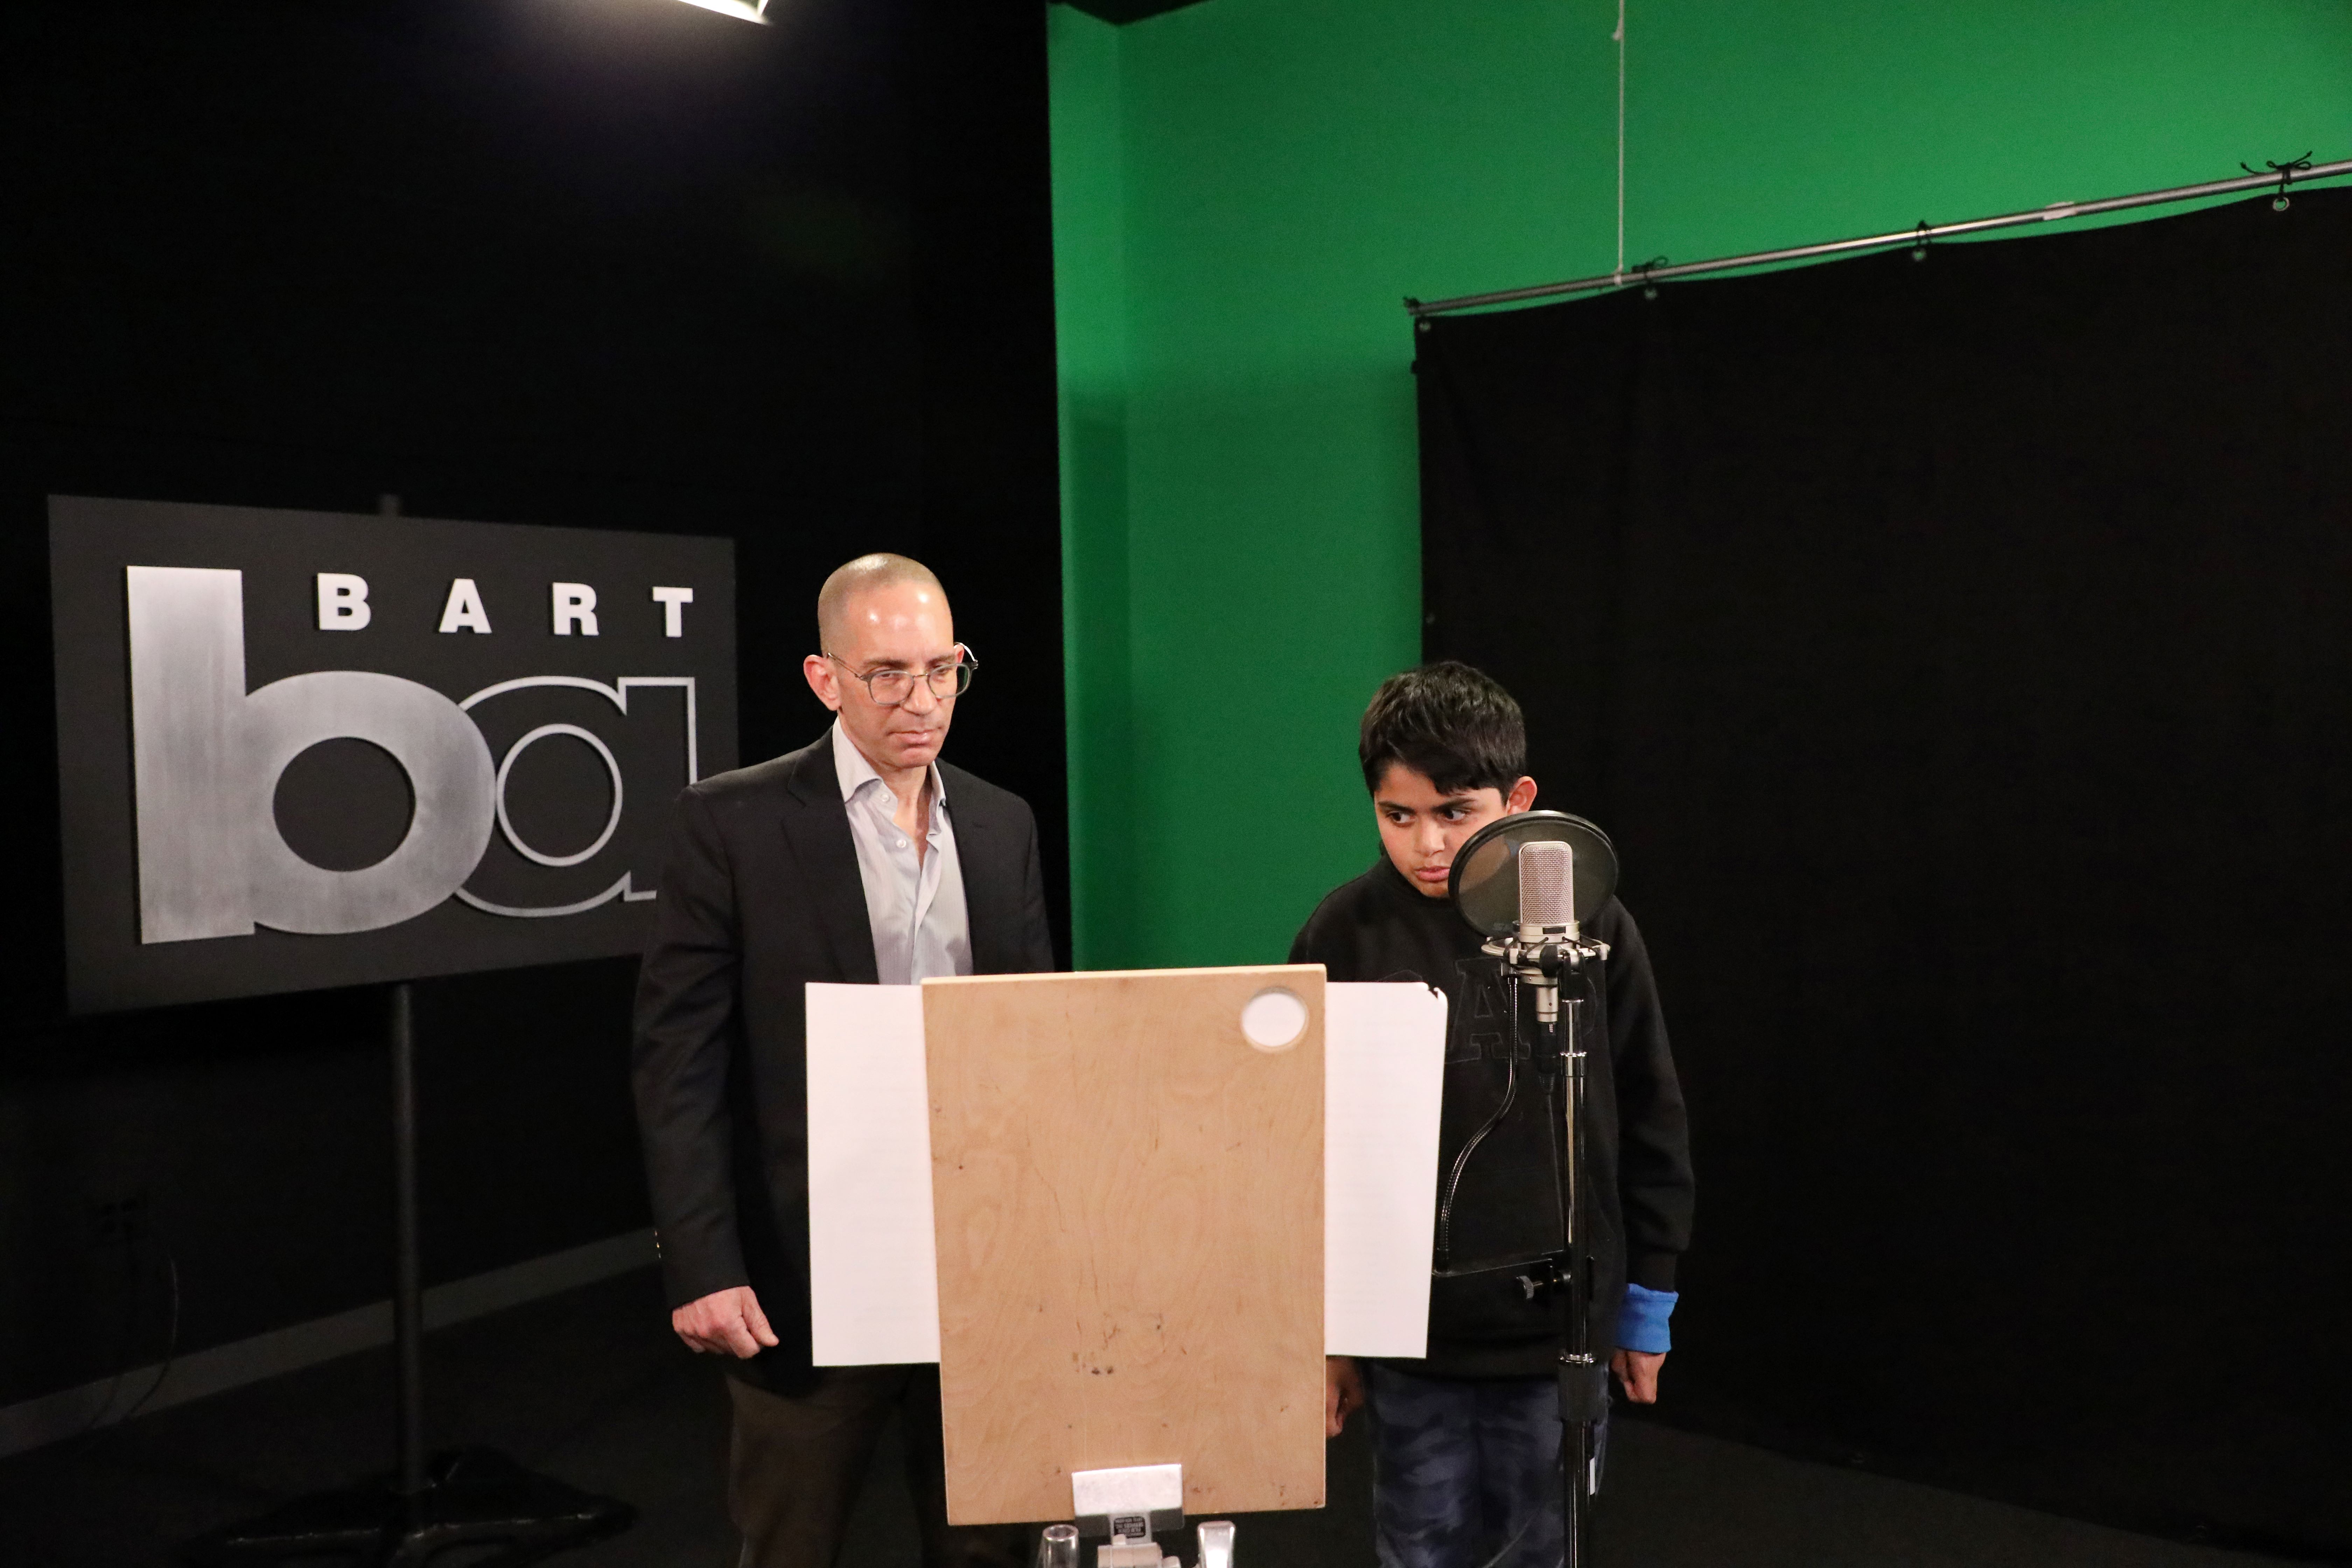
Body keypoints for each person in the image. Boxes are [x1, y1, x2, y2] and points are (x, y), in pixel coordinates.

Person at [632, 553, 1050, 1568]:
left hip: (978, 1257)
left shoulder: (1001, 824)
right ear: (827, 679)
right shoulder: (730, 822)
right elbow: (678, 1058)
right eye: (887, 674)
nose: (922, 700)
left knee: (987, 1543)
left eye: (943, 670)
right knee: (794, 1539)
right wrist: (704, 1263)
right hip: (805, 1266)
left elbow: (1036, 1042)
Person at [1292, 662, 1695, 1568]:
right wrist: (1326, 1334)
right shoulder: (1345, 934)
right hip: (1413, 1343)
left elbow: (1651, 1113)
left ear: (1519, 799)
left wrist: (1648, 1305)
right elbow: (1312, 1150)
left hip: (1558, 1342)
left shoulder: (1592, 928)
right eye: (1399, 817)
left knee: (1541, 1548)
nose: (1427, 844)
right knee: (1420, 1543)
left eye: (1455, 812)